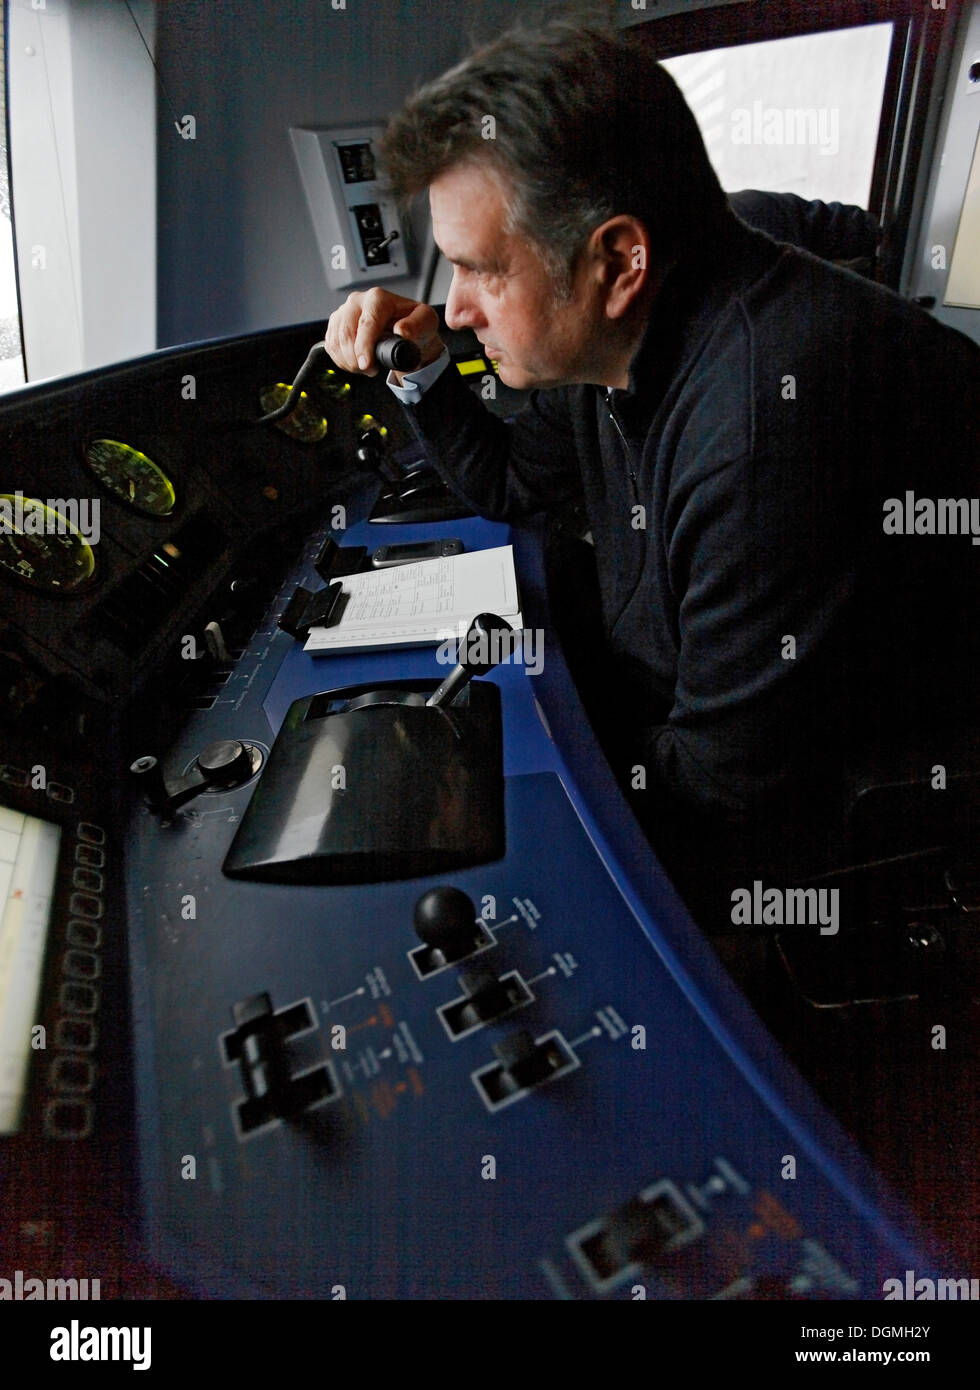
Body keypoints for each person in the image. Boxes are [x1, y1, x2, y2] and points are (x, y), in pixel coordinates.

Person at [324, 17, 980, 928]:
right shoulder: (606, 338)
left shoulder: (766, 423)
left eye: (480, 270)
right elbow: (523, 485)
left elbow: (722, 793)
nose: (458, 306)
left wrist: (468, 795)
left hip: (862, 752)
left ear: (617, 261)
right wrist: (421, 366)